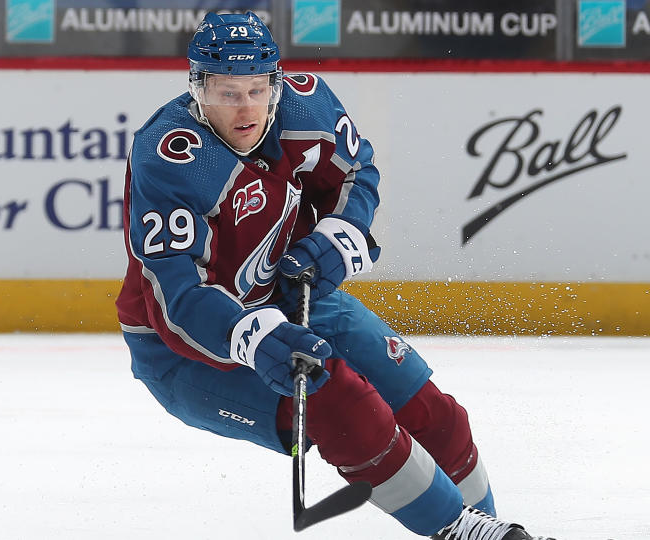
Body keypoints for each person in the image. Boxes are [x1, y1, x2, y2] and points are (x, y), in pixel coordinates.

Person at [115, 11, 553, 540]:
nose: (246, 108)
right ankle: (458, 531)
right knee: (340, 401)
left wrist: (339, 236)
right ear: (198, 89)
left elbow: (356, 173)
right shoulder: (171, 156)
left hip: (286, 289)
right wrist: (252, 338)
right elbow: (177, 302)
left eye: (257, 89)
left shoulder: (305, 106)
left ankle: (486, 525)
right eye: (227, 92)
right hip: (184, 349)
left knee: (435, 415)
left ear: (276, 82)